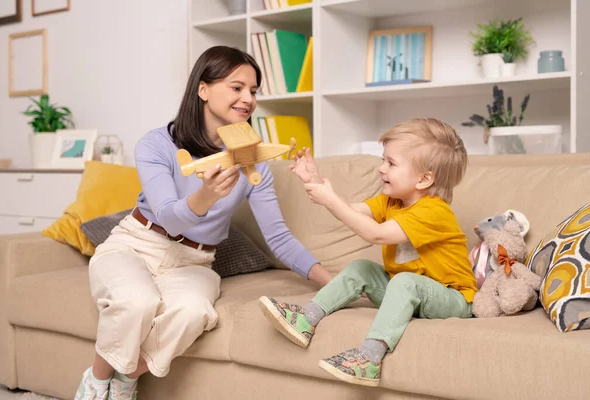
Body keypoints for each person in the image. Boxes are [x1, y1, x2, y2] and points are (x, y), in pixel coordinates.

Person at [74, 45, 333, 400]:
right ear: (203, 89)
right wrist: (206, 196)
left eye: (254, 91)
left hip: (194, 261)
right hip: (137, 244)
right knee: (137, 302)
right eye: (237, 87)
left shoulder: (252, 165)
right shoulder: (157, 145)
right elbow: (167, 214)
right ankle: (95, 383)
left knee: (194, 311)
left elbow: (280, 239)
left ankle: (126, 378)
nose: (248, 99)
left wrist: (333, 282)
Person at [259, 118, 478, 387]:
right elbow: (351, 213)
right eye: (383, 160)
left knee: (404, 281)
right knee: (362, 267)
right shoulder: (392, 201)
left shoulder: (435, 212)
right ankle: (307, 319)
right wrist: (317, 184)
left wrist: (329, 198)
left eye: (391, 163)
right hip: (408, 294)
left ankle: (369, 358)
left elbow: (375, 234)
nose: (381, 168)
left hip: (452, 299)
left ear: (424, 179)